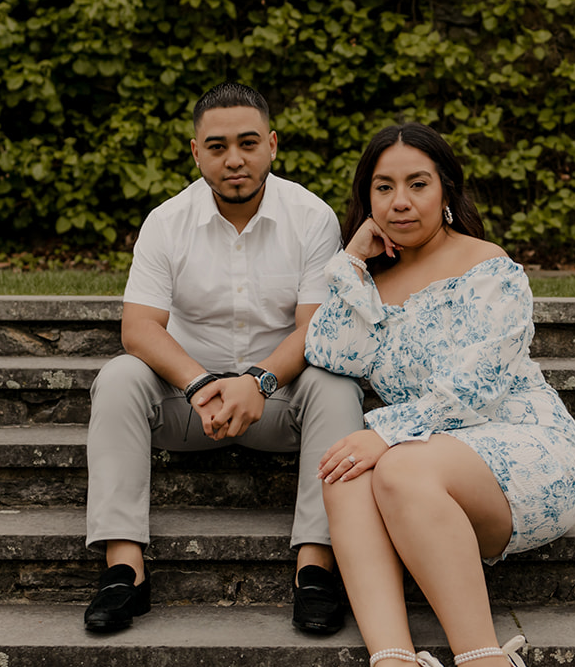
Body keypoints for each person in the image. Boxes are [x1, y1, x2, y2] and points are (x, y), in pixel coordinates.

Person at [305, 123, 575, 667]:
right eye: (383, 188)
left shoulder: (490, 266)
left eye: (416, 184)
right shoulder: (371, 282)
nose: (399, 201)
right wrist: (353, 262)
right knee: (344, 470)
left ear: (446, 191)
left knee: (392, 461)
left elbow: (479, 387)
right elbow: (329, 351)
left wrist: (385, 435)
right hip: (428, 460)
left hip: (523, 448)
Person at [84, 82, 366, 635]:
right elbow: (138, 328)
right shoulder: (166, 223)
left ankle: (316, 569)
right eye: (216, 147)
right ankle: (124, 569)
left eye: (248, 143)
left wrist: (257, 383)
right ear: (196, 152)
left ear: (272, 145)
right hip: (190, 405)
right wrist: (198, 384)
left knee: (337, 387)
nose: (234, 159)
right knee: (118, 378)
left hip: (279, 403)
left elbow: (315, 328)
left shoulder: (311, 217)